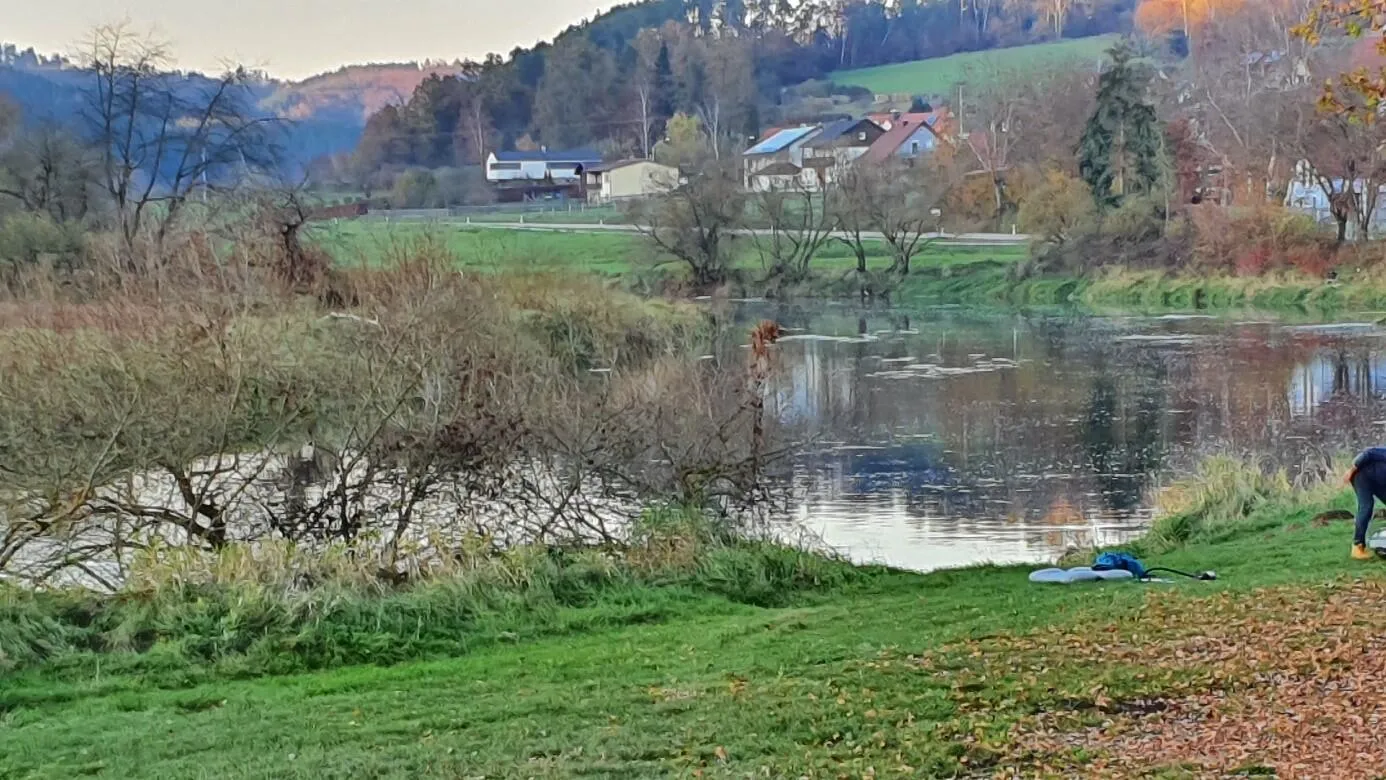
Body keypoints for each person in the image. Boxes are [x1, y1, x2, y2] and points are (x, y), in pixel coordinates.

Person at [1348, 447, 1386, 560]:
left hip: (1379, 482)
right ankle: (1357, 546)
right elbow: (1368, 453)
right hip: (1362, 476)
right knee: (1366, 507)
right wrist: (1351, 471)